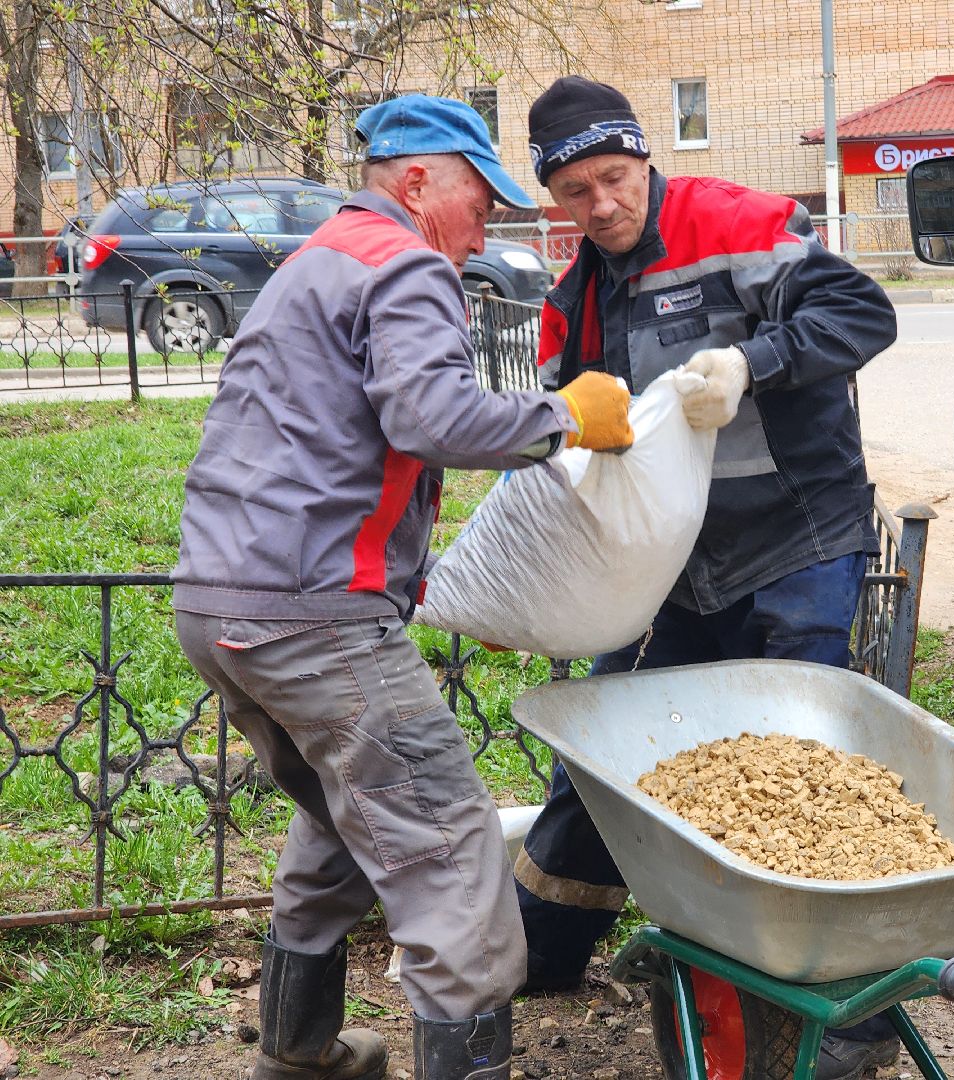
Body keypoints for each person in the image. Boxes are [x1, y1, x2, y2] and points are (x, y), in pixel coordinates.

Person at [172, 94, 632, 1080]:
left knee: (348, 816)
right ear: (417, 181)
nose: (485, 228)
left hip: (219, 605)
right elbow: (432, 415)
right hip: (314, 617)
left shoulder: (318, 260)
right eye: (479, 202)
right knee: (453, 852)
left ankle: (302, 1056)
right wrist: (567, 415)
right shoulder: (405, 261)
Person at [513, 77, 901, 1080]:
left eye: (613, 177)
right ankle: (539, 949)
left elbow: (863, 314)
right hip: (671, 569)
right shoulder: (576, 297)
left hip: (796, 542)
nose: (601, 205)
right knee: (608, 751)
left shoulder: (734, 222)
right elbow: (566, 419)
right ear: (554, 199)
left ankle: (845, 1015)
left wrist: (751, 364)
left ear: (645, 159)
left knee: (805, 760)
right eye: (574, 192)